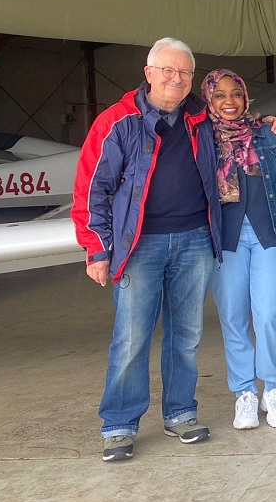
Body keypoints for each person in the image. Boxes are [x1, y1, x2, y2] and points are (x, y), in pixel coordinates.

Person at [72, 37, 222, 462]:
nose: (176, 79)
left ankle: (180, 413)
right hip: (139, 245)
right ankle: (119, 423)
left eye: (185, 73)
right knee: (132, 337)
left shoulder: (202, 117)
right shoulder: (118, 122)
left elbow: (243, 127)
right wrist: (98, 250)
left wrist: (273, 123)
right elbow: (91, 190)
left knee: (187, 336)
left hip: (195, 239)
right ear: (149, 73)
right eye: (168, 71)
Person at [202, 68, 276, 430]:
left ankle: (273, 388)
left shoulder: (269, 133)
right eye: (220, 95)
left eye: (235, 94)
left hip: (269, 233)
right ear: (208, 99)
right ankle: (244, 393)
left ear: (246, 97)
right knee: (233, 316)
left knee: (270, 314)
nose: (229, 102)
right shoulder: (199, 140)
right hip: (225, 240)